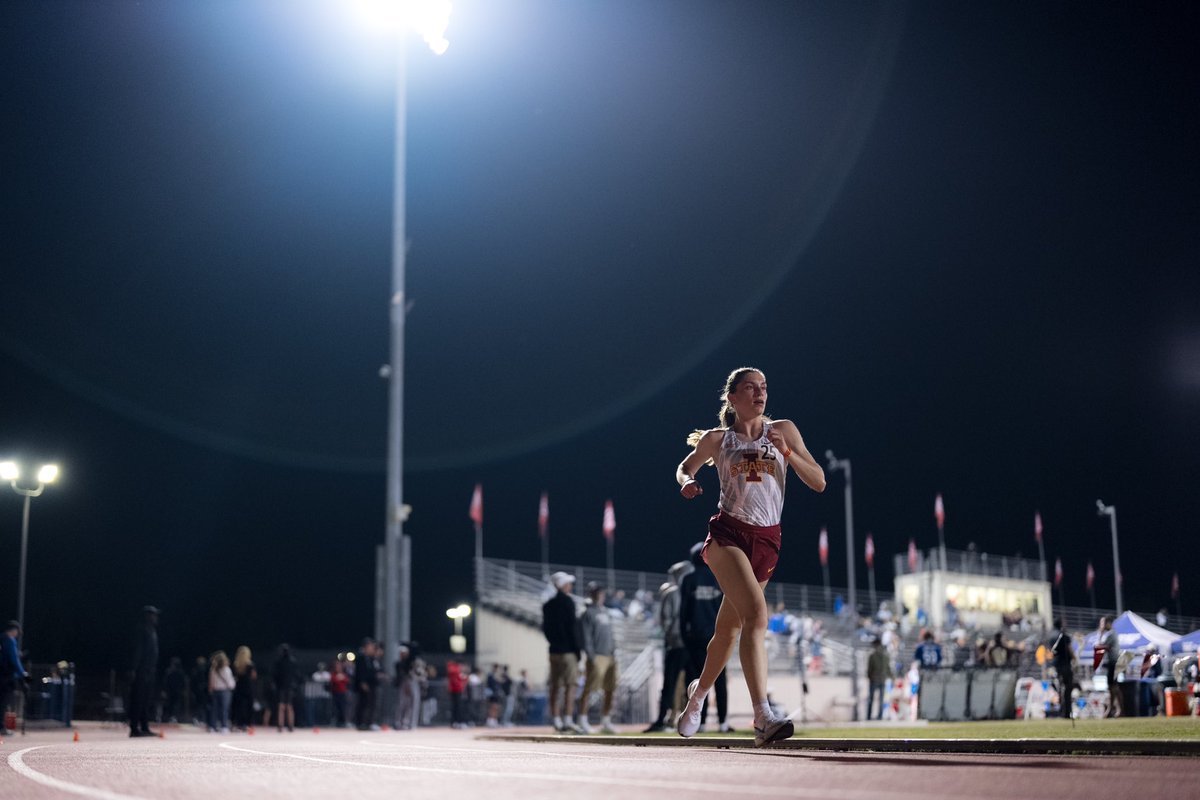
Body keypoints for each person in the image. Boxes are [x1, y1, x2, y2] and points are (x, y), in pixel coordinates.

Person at [674, 367, 825, 747]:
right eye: (750, 388)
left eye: (764, 388)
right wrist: (688, 482)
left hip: (768, 540)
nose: (760, 394)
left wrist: (788, 452)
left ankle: (696, 698)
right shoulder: (718, 440)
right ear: (732, 398)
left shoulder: (784, 430)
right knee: (757, 617)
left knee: (728, 630)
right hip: (728, 535)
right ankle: (763, 715)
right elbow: (685, 466)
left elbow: (819, 481)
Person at [679, 542, 732, 733]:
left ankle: (699, 723)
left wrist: (685, 637)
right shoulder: (720, 578)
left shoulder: (688, 579)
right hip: (718, 636)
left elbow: (683, 612)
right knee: (720, 680)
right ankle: (723, 723)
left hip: (695, 638)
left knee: (700, 680)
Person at [643, 561, 693, 732]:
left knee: (671, 685)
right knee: (690, 685)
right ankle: (692, 721)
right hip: (690, 644)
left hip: (676, 644)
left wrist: (672, 637)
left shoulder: (673, 593)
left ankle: (663, 720)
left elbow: (665, 620)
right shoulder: (690, 590)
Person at [542, 571, 584, 733]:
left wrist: (553, 642)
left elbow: (545, 629)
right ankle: (567, 719)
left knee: (555, 686)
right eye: (568, 583)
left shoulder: (548, 605)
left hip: (553, 651)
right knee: (570, 686)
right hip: (568, 651)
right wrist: (577, 649)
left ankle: (556, 719)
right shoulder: (568, 602)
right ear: (563, 585)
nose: (571, 586)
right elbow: (572, 628)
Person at [579, 582, 619, 734]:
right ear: (591, 594)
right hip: (597, 656)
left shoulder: (606, 612)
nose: (600, 595)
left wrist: (614, 650)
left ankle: (606, 720)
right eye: (597, 592)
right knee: (589, 689)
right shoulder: (587, 613)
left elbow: (611, 634)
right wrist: (591, 656)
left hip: (609, 655)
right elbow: (586, 636)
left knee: (610, 688)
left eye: (601, 592)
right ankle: (583, 720)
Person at [128, 605, 160, 737]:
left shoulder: (151, 630)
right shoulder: (141, 630)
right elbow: (137, 651)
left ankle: (145, 727)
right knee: (138, 699)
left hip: (149, 670)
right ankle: (134, 728)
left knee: (146, 700)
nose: (156, 617)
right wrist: (133, 669)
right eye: (153, 615)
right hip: (142, 670)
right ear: (147, 616)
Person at [2, 620, 29, 734]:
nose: (17, 635)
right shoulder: (9, 640)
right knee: (4, 701)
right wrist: (23, 674)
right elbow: (14, 660)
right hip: (6, 676)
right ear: (14, 630)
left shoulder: (1, 638)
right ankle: (1, 727)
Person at [1049, 618, 1075, 718]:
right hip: (1065, 665)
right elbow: (1070, 650)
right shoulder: (1064, 636)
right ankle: (1067, 712)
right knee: (1068, 688)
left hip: (1056, 665)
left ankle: (1061, 710)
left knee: (1060, 688)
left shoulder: (1051, 636)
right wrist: (1075, 659)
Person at [354, 638, 382, 731]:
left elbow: (375, 670)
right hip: (364, 684)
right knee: (363, 704)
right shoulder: (361, 658)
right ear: (365, 647)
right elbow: (359, 671)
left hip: (372, 684)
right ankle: (360, 723)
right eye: (370, 647)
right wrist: (362, 682)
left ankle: (370, 722)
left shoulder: (372, 659)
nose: (372, 649)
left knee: (372, 704)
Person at [1098, 616, 1123, 718]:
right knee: (1113, 687)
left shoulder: (1110, 634)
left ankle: (1116, 709)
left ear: (1108, 623)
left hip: (1113, 662)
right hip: (1113, 663)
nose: (1101, 626)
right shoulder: (1111, 634)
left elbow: (1100, 646)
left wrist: (1100, 633)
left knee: (1113, 687)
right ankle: (1114, 709)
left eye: (1103, 623)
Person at [271, 643, 298, 732]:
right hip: (288, 686)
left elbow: (275, 675)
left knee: (282, 706)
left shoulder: (278, 662)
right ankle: (290, 725)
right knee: (288, 706)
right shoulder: (292, 661)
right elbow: (296, 675)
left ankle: (281, 725)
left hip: (282, 687)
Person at [208, 650, 235, 733]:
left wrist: (211, 689)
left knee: (214, 709)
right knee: (224, 709)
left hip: (215, 691)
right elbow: (230, 682)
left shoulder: (213, 669)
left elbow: (211, 681)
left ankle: (212, 726)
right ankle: (224, 726)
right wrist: (233, 685)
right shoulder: (226, 669)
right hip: (224, 691)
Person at [231, 646, 257, 731]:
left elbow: (234, 676)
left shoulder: (236, 664)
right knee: (249, 706)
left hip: (239, 687)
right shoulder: (250, 664)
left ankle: (239, 724)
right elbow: (254, 676)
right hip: (248, 687)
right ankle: (248, 724)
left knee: (239, 706)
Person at [866, 636, 892, 720]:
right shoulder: (885, 656)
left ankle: (869, 716)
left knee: (871, 699)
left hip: (874, 679)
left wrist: (870, 677)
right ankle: (880, 716)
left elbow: (869, 669)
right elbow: (888, 668)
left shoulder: (872, 656)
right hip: (882, 679)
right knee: (881, 699)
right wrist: (892, 677)